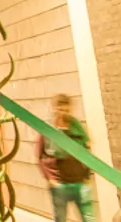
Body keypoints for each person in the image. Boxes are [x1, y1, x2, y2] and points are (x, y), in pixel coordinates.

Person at [36, 93, 95, 222]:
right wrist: (50, 179)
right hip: (59, 184)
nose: (63, 113)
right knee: (60, 218)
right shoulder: (48, 130)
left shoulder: (77, 127)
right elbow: (40, 156)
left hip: (80, 182)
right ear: (54, 109)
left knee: (89, 218)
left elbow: (87, 148)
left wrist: (88, 175)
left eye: (66, 110)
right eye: (60, 110)